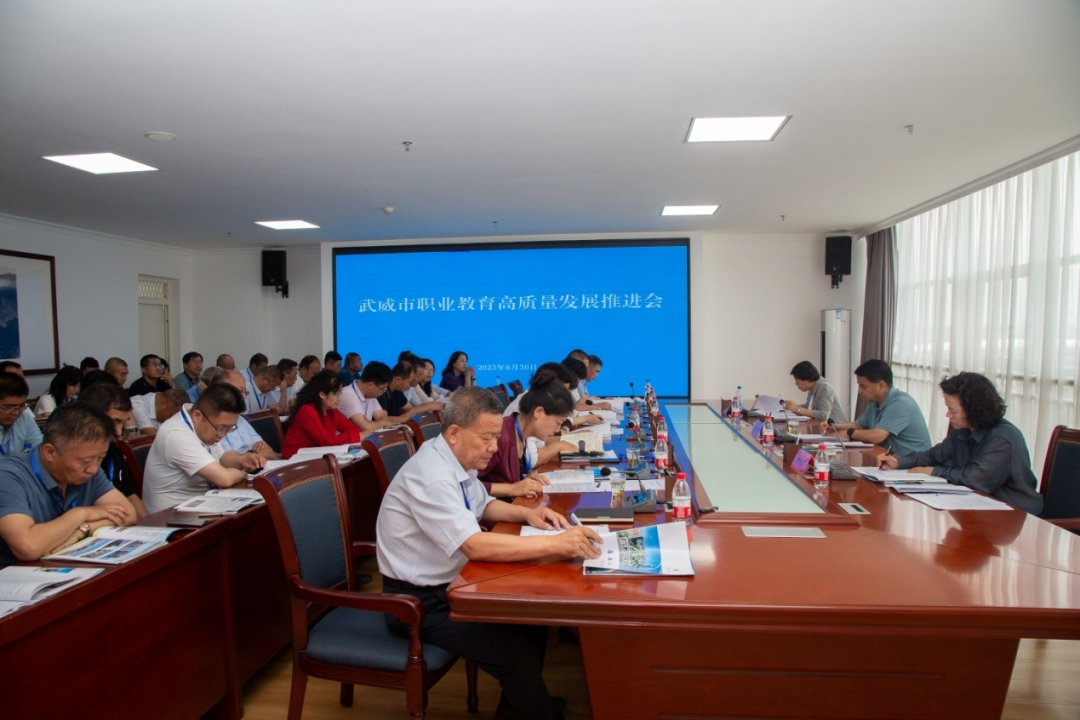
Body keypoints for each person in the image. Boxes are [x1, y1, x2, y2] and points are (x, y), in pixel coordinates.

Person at [376, 387, 599, 720]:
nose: (495, 446)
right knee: (517, 657)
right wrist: (557, 543)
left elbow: (483, 504)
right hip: (417, 604)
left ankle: (517, 710)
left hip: (452, 582)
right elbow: (474, 544)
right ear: (455, 433)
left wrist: (528, 515)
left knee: (533, 623)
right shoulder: (432, 477)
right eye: (487, 438)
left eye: (496, 436)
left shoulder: (454, 457)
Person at [878, 372, 1043, 514]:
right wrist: (899, 462)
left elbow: (974, 479)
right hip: (979, 508)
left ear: (973, 409)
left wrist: (934, 471)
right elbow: (934, 456)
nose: (947, 415)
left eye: (952, 410)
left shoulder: (1003, 439)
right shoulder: (964, 429)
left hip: (1016, 514)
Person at [0, 403, 137, 565]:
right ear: (50, 452)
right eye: (86, 461)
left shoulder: (89, 468)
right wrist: (80, 514)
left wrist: (82, 530)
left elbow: (128, 514)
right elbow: (28, 547)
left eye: (100, 458)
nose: (93, 469)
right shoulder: (8, 476)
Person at [142, 384, 265, 514]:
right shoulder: (176, 434)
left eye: (229, 429)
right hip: (172, 515)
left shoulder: (205, 424)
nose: (223, 435)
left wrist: (243, 460)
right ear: (197, 416)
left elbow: (224, 458)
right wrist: (243, 473)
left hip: (202, 504)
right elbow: (225, 478)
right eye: (221, 428)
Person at [479, 376, 579, 498]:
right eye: (558, 423)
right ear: (538, 412)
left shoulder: (522, 434)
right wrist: (511, 489)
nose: (558, 430)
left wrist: (524, 478)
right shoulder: (500, 437)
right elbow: (467, 486)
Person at [826, 359, 931, 455]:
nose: (859, 391)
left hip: (914, 464)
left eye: (863, 386)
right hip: (890, 458)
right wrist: (835, 427)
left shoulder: (901, 404)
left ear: (881, 386)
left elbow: (877, 436)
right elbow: (859, 425)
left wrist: (849, 433)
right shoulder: (875, 402)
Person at [78, 382, 149, 517]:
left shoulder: (114, 451)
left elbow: (130, 496)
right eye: (115, 421)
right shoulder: (75, 458)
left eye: (123, 422)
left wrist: (150, 525)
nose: (118, 432)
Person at [281, 370, 361, 459]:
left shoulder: (331, 410)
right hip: (294, 459)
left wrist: (342, 438)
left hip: (317, 457)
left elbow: (354, 429)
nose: (339, 399)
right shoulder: (307, 411)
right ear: (322, 394)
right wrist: (358, 436)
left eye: (339, 394)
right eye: (335, 394)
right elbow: (326, 441)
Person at [213, 370, 279, 460]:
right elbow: (229, 461)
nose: (244, 396)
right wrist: (254, 454)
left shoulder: (240, 419)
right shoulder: (214, 422)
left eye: (245, 392)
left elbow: (270, 453)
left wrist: (250, 455)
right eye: (239, 391)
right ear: (221, 391)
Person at [337, 361, 394, 435]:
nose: (383, 392)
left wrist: (373, 423)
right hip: (347, 441)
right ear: (371, 385)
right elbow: (365, 427)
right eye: (383, 389)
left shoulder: (370, 395)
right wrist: (382, 423)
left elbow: (382, 416)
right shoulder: (348, 396)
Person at [783, 360, 848, 423]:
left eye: (797, 381)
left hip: (835, 428)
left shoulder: (825, 388)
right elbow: (808, 408)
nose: (796, 384)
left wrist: (797, 409)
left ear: (807, 379)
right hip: (821, 426)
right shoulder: (812, 388)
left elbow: (824, 415)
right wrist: (791, 406)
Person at [0, 372, 42, 456]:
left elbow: (38, 451)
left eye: (22, 406)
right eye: (8, 407)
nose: (16, 412)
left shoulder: (24, 418)